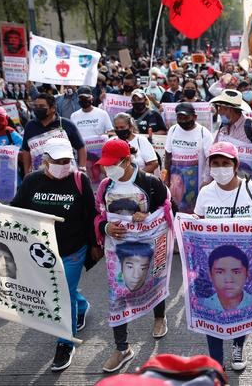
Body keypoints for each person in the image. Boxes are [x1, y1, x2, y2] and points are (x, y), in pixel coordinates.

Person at [11, 137, 99, 371]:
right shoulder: (31, 181)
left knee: (62, 295)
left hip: (73, 250)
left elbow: (91, 215)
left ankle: (64, 343)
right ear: (46, 161)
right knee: (62, 291)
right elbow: (15, 209)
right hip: (42, 251)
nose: (64, 165)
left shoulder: (79, 180)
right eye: (58, 160)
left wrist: (94, 245)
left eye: (67, 160)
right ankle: (81, 306)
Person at [194, 141, 252, 370]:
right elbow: (197, 223)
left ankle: (238, 345)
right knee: (213, 313)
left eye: (225, 163)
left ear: (235, 165)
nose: (220, 168)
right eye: (215, 163)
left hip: (243, 264)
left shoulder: (251, 189)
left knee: (241, 310)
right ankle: (216, 364)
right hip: (214, 267)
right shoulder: (206, 193)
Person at [93, 139, 170, 373]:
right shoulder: (106, 186)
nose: (108, 169)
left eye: (112, 164)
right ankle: (122, 348)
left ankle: (159, 317)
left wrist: (146, 216)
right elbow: (98, 213)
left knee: (154, 280)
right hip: (118, 250)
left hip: (149, 245)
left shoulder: (150, 183)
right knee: (118, 293)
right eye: (105, 165)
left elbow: (167, 208)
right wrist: (106, 228)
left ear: (127, 161)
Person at [209, 89, 252, 187]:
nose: (219, 111)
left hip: (247, 185)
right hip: (224, 186)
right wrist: (207, 180)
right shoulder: (223, 127)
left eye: (222, 107)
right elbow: (213, 152)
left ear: (231, 109)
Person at [21, 93, 87, 176]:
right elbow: (26, 150)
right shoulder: (30, 126)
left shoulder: (66, 124)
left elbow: (81, 147)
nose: (37, 109)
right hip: (40, 176)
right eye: (35, 106)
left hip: (66, 175)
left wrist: (82, 168)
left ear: (52, 108)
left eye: (41, 106)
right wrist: (27, 173)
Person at [164, 103, 212, 213]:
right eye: (180, 118)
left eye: (186, 117)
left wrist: (206, 181)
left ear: (194, 117)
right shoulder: (173, 130)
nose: (183, 121)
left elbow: (210, 159)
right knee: (176, 207)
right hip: (175, 179)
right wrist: (166, 177)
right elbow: (168, 155)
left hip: (197, 180)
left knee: (194, 209)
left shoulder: (203, 133)